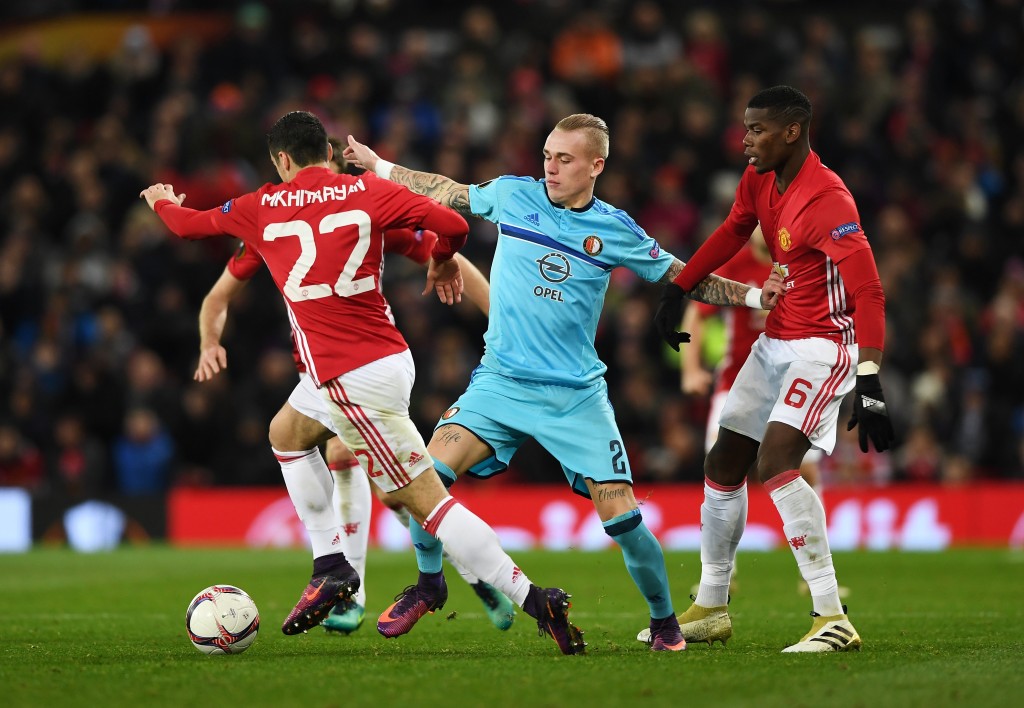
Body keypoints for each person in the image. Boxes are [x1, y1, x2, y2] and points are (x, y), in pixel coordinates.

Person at [141, 110, 585, 655]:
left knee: (426, 503)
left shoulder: (261, 207)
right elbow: (453, 226)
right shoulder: (367, 191)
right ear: (328, 154)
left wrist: (161, 200)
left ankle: (533, 599)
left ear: (281, 160)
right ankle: (332, 565)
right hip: (367, 364)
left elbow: (186, 227)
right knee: (286, 433)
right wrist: (444, 261)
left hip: (350, 377)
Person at [344, 113, 785, 652]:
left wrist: (755, 297)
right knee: (425, 478)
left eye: (565, 159)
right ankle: (429, 583)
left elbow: (683, 276)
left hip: (575, 398)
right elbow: (445, 190)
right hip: (500, 385)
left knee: (624, 523)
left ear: (596, 166)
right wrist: (379, 165)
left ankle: (666, 623)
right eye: (548, 156)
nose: (550, 167)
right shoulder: (513, 196)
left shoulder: (614, 230)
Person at [193, 140, 511, 636]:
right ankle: (441, 578)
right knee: (384, 485)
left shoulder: (354, 216)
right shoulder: (272, 224)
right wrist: (209, 341)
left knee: (384, 482)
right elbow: (217, 298)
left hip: (356, 367)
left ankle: (370, 587)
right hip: (322, 373)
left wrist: (501, 325)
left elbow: (441, 249)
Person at [652, 85, 894, 652]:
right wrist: (679, 288)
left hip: (824, 347)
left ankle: (831, 616)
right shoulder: (758, 180)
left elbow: (869, 291)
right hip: (776, 340)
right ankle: (712, 604)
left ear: (792, 131)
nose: (746, 141)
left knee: (778, 461)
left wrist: (870, 377)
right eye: (745, 128)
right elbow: (731, 231)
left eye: (757, 130)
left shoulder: (829, 200)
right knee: (723, 461)